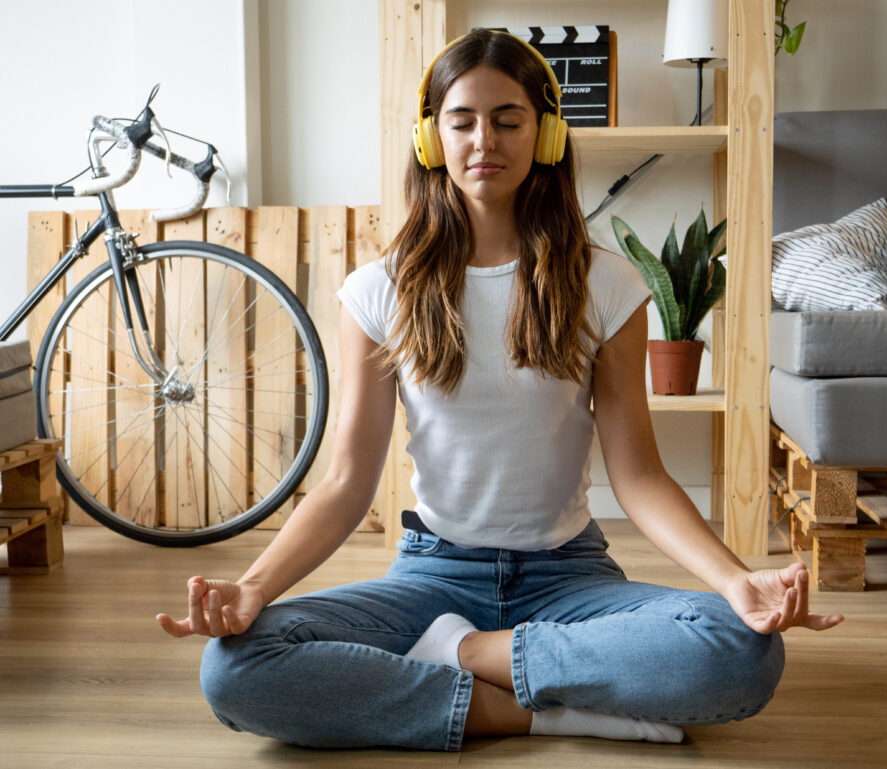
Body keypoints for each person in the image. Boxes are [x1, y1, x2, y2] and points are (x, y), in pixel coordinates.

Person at [156, 28, 843, 752]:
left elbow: (638, 475)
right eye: (462, 121)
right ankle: (537, 709)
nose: (484, 139)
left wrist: (737, 582)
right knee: (234, 668)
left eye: (508, 119)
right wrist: (255, 588)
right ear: (432, 139)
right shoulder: (376, 292)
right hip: (432, 576)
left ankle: (467, 656)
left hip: (568, 577)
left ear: (545, 134)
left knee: (742, 650)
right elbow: (347, 482)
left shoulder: (608, 284)